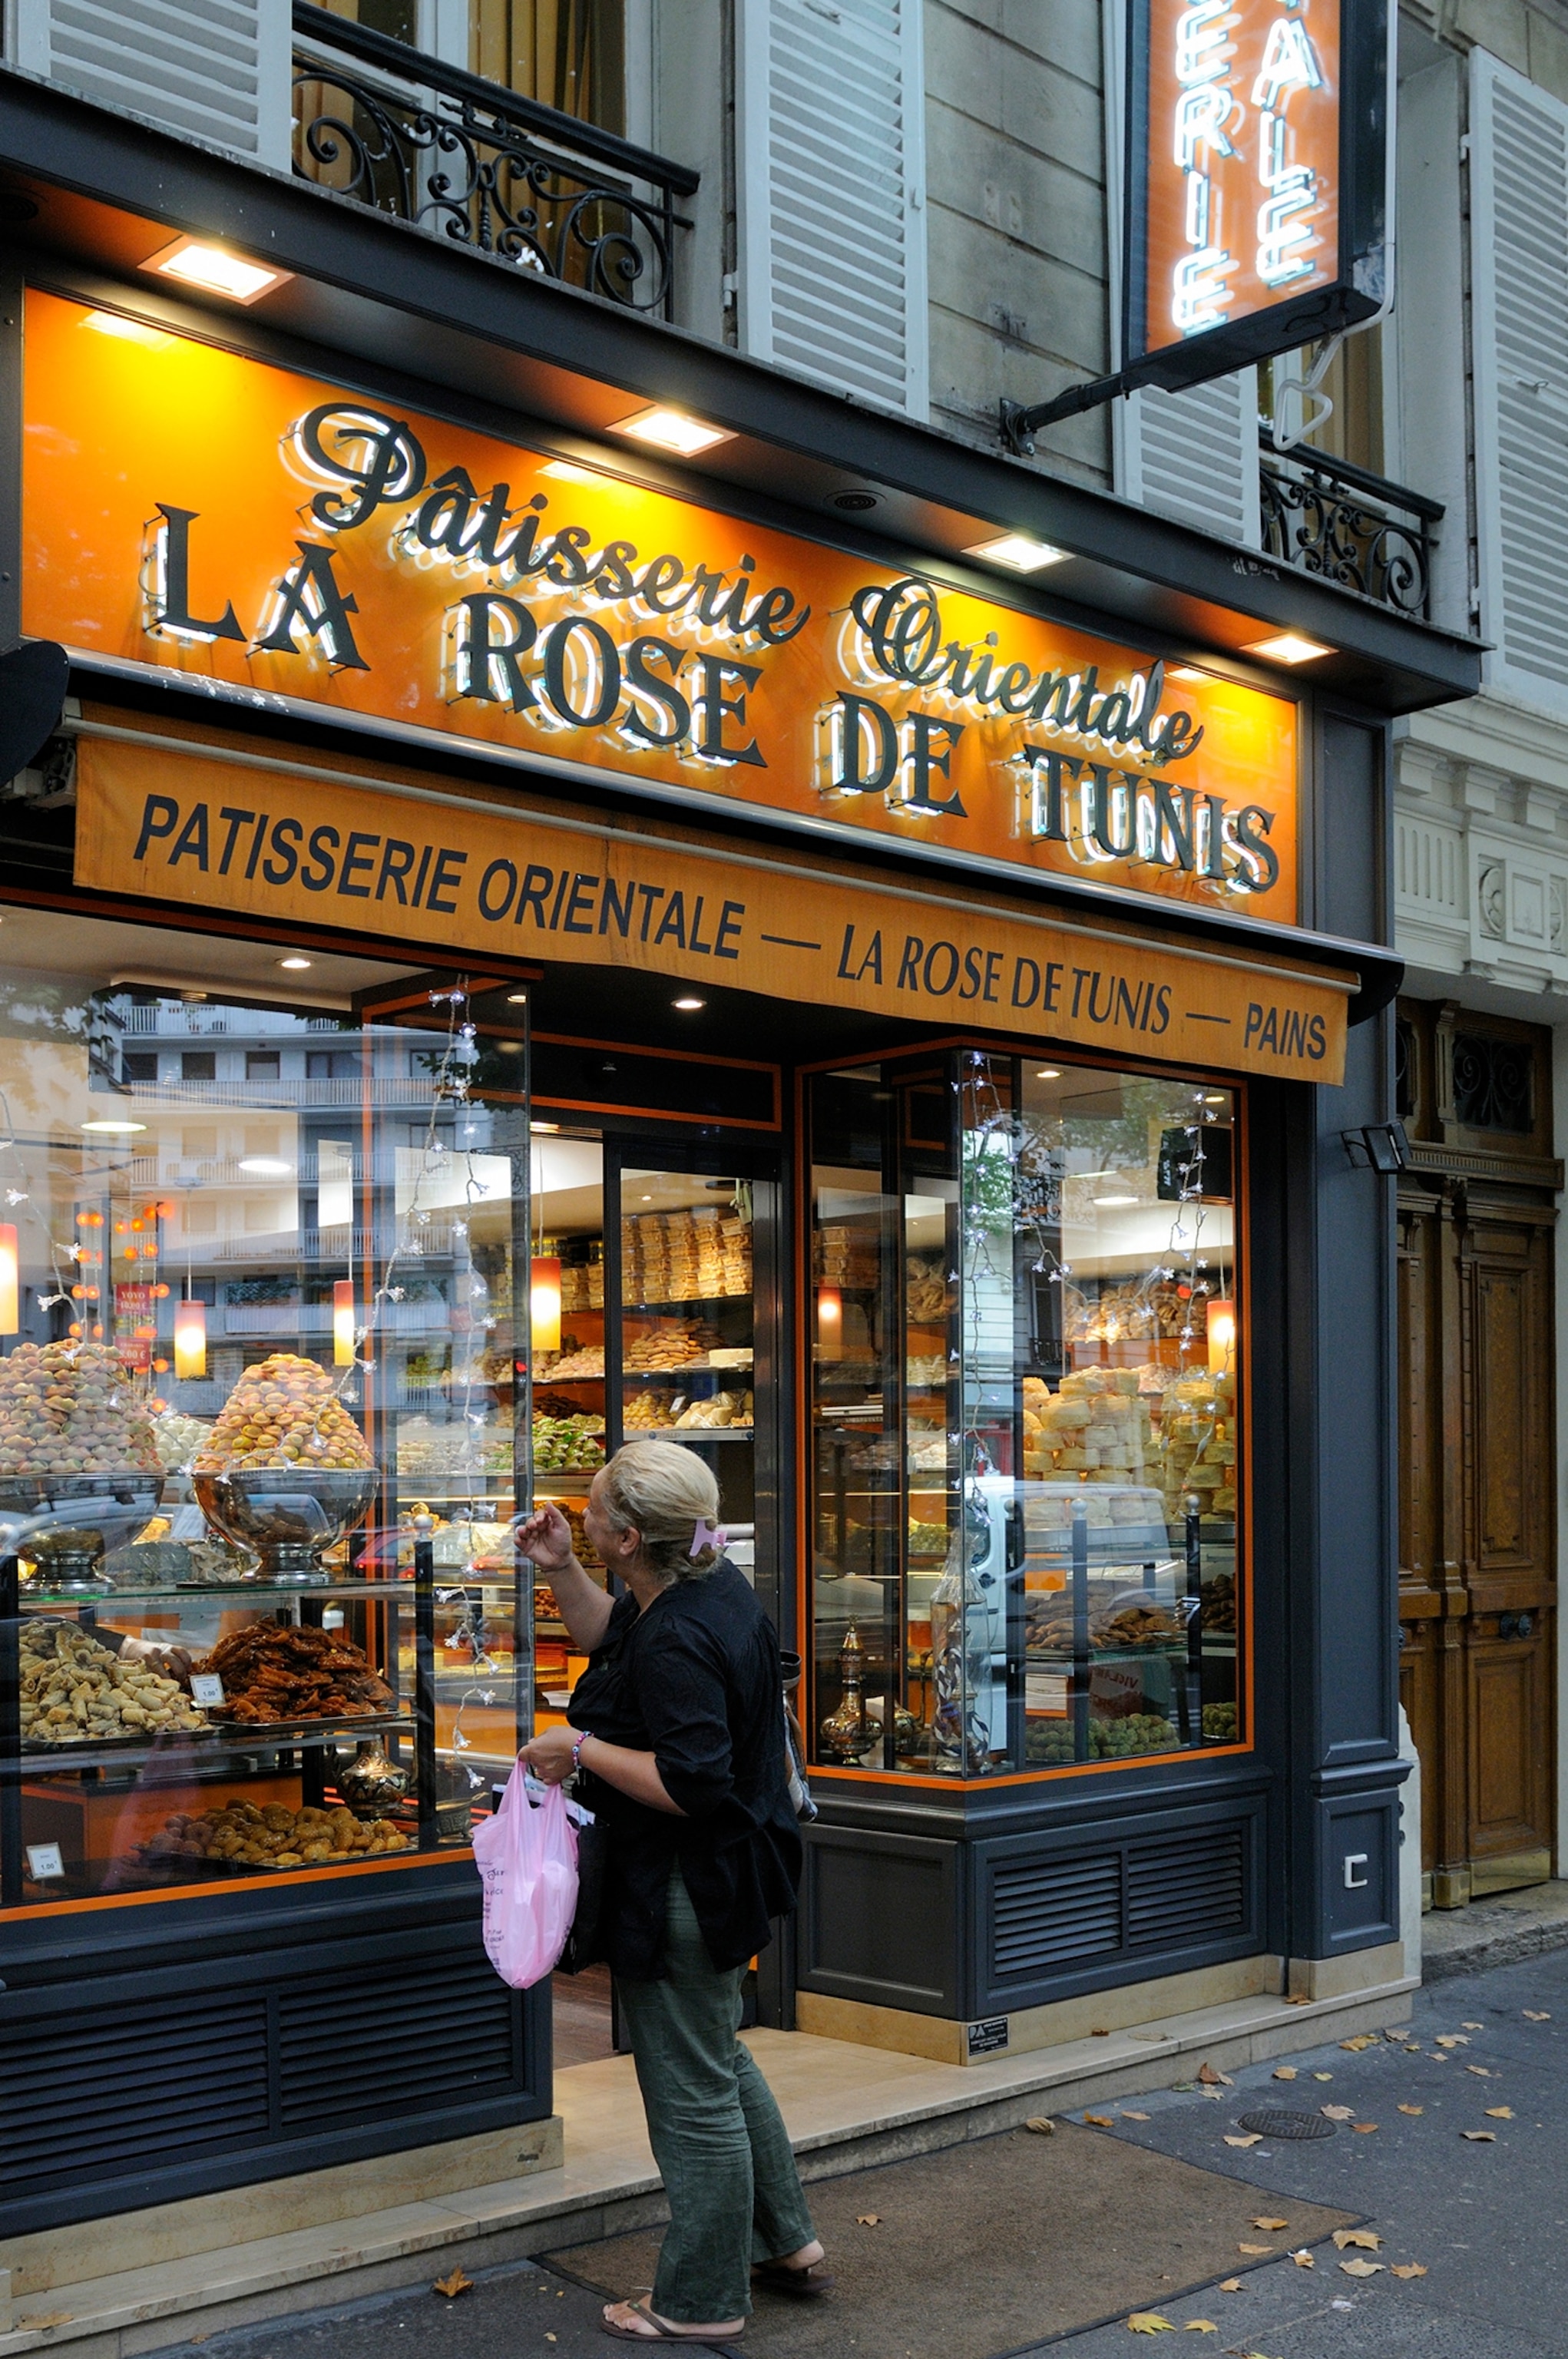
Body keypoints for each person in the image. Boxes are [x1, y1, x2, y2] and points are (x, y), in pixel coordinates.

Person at [518, 1438, 831, 2345]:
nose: (579, 1508)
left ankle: (699, 2300)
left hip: (685, 1887)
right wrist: (562, 1571)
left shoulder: (681, 1635)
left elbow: (692, 1782)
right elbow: (617, 1639)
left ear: (627, 1537)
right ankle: (786, 2244)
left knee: (690, 2090)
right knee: (717, 2058)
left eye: (592, 1510)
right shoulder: (700, 1588)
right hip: (725, 1877)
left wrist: (575, 1750)